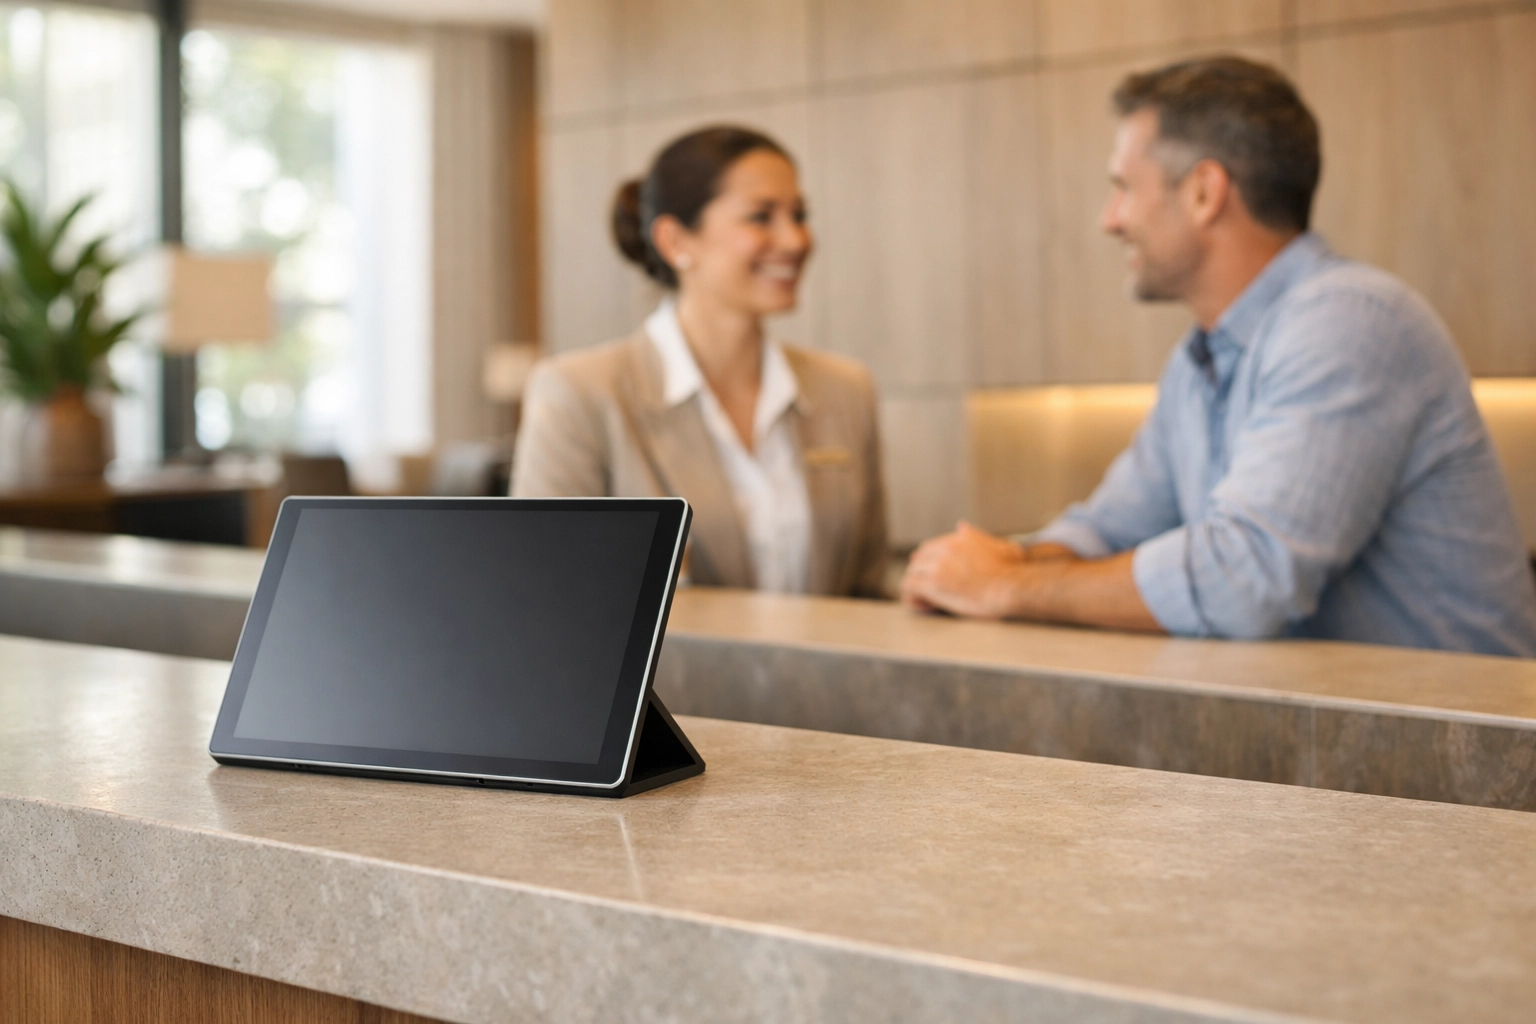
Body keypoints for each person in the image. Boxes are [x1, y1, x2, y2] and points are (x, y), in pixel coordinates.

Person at [902, 56, 1536, 657]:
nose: (1109, 219)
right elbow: (1112, 528)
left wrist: (1003, 588)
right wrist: (987, 565)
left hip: (1466, 760)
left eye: (1123, 188)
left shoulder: (1350, 320)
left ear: (1205, 192)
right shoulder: (1198, 360)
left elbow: (1247, 579)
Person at [514, 126, 888, 597]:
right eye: (761, 217)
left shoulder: (846, 391)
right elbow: (548, 595)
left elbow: (870, 589)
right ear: (675, 241)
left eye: (800, 214)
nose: (795, 240)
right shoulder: (580, 394)